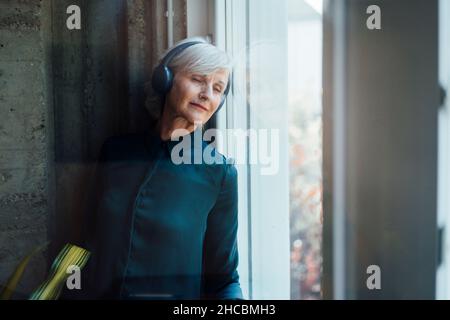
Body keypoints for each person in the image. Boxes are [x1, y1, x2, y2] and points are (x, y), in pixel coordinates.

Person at [66, 37, 243, 300]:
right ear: (165, 78)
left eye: (218, 88)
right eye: (197, 79)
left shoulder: (219, 173)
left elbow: (224, 279)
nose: (207, 94)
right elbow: (83, 246)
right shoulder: (115, 151)